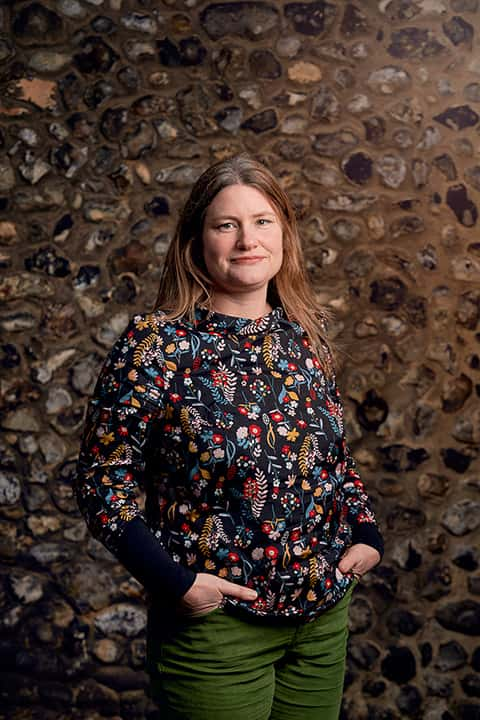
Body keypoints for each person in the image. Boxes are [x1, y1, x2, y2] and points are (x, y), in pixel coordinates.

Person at [75, 154, 384, 720]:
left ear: (284, 235)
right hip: (216, 630)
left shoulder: (305, 337)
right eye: (227, 225)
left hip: (321, 621)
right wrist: (176, 583)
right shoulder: (156, 345)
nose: (248, 240)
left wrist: (366, 532)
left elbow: (333, 461)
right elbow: (102, 483)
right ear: (198, 241)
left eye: (263, 221)